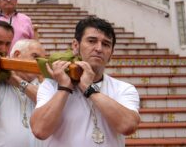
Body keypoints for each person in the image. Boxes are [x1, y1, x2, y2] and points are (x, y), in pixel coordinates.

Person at [31, 16, 141, 146]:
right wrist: (64, 88)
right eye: (92, 41)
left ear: (111, 53)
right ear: (76, 46)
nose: (99, 48)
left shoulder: (124, 88)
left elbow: (128, 126)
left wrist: (89, 88)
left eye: (106, 44)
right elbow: (39, 130)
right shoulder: (51, 85)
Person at [0, 39, 46, 146]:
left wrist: (18, 81)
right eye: (35, 57)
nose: (39, 63)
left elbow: (47, 102)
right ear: (17, 55)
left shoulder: (42, 87)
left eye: (42, 60)